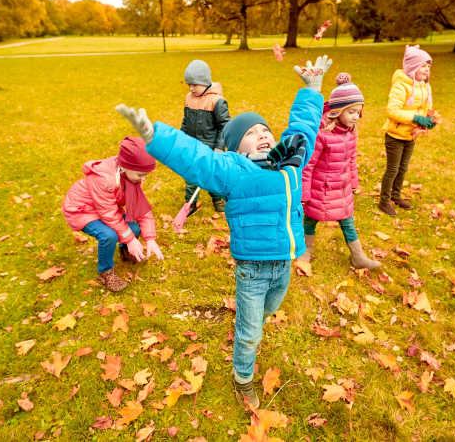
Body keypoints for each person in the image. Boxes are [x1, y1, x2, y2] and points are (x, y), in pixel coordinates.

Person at [116, 56, 332, 410]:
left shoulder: (291, 163)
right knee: (250, 333)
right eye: (250, 134)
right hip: (252, 270)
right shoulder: (233, 171)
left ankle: (251, 322)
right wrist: (157, 136)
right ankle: (242, 377)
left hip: (284, 266)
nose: (262, 135)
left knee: (268, 311)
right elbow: (196, 158)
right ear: (236, 149)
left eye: (265, 130)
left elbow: (303, 128)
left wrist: (312, 90)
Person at [299, 73, 380, 270]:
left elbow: (351, 159)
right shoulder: (323, 134)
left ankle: (358, 256)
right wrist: (305, 192)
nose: (356, 116)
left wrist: (353, 183)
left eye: (358, 112)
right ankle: (305, 251)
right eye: (351, 112)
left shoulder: (350, 132)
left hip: (341, 188)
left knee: (347, 221)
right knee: (311, 219)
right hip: (321, 188)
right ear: (337, 111)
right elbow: (308, 165)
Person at [62, 137, 164, 292]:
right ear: (125, 167)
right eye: (140, 175)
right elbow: (108, 214)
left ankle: (126, 251)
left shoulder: (131, 176)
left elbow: (141, 209)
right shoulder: (105, 180)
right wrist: (130, 239)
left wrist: (150, 239)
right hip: (82, 210)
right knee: (108, 235)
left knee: (134, 228)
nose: (143, 179)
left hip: (105, 209)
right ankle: (105, 272)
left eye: (146, 175)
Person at [378, 45, 436, 216]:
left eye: (428, 66)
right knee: (393, 169)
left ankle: (396, 196)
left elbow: (426, 108)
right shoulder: (401, 86)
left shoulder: (425, 86)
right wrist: (416, 118)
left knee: (403, 168)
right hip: (395, 135)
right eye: (423, 66)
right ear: (412, 67)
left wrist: (428, 121)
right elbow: (392, 111)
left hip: (411, 135)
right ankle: (384, 201)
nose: (427, 69)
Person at [180, 59, 231, 214]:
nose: (191, 88)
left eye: (195, 85)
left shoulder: (217, 101)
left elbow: (225, 126)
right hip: (192, 145)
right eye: (189, 85)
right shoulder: (189, 98)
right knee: (191, 175)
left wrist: (219, 147)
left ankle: (218, 200)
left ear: (205, 83)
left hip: (210, 147)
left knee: (211, 176)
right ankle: (190, 204)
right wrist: (181, 138)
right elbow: (186, 121)